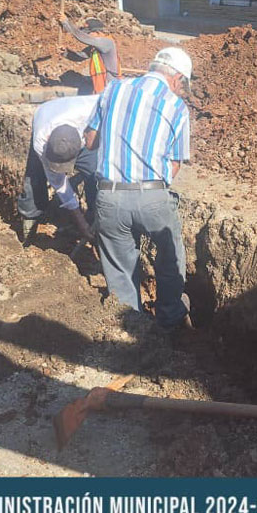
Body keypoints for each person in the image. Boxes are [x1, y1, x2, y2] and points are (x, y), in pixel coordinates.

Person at [84, 47, 194, 330]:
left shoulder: (113, 89)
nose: (181, 91)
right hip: (153, 196)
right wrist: (154, 192)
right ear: (177, 78)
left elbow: (90, 141)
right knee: (170, 260)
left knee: (120, 272)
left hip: (109, 196)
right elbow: (175, 164)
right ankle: (170, 320)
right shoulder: (176, 106)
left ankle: (132, 329)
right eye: (183, 86)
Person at [17, 95, 99, 246]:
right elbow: (60, 185)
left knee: (95, 174)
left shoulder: (92, 110)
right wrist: (81, 224)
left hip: (80, 126)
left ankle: (96, 219)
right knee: (35, 176)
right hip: (46, 112)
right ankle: (30, 220)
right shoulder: (41, 141)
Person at [60, 13, 121, 94]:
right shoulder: (95, 47)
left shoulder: (107, 42)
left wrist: (66, 23)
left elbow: (84, 38)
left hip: (110, 84)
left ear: (97, 32)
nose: (88, 36)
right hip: (100, 83)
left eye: (89, 33)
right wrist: (65, 53)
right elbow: (80, 56)